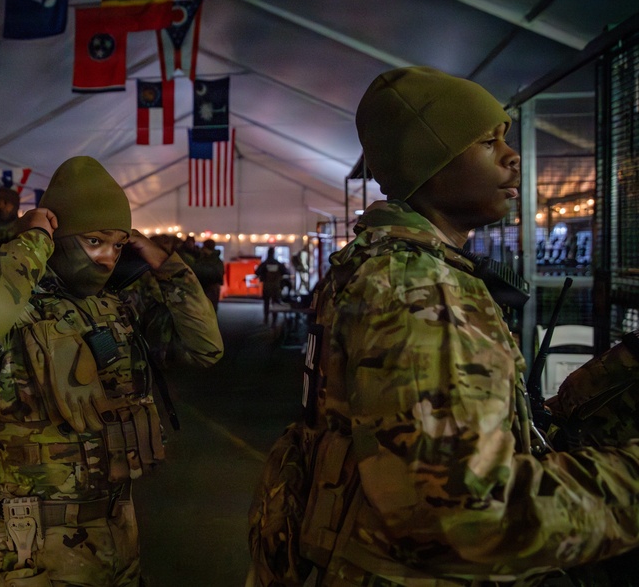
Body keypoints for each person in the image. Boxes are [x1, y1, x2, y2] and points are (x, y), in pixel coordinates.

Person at [248, 66, 639, 586]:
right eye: (485, 142)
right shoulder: (417, 290)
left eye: (505, 138)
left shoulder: (375, 266)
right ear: (427, 164)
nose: (511, 155)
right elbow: (469, 514)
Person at [0, 155, 224, 587]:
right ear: (58, 238)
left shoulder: (115, 306)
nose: (107, 259)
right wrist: (32, 243)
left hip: (117, 524)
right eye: (95, 241)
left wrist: (165, 264)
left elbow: (206, 348)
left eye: (118, 245)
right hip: (37, 544)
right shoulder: (11, 308)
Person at [254, 247, 289, 324]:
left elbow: (257, 272)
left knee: (266, 303)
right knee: (275, 303)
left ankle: (266, 319)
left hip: (266, 286)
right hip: (276, 287)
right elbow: (286, 272)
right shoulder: (278, 263)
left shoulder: (264, 263)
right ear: (274, 253)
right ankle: (274, 321)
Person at [190, 238, 225, 313]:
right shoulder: (217, 260)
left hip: (208, 287)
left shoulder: (204, 259)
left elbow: (199, 270)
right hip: (212, 287)